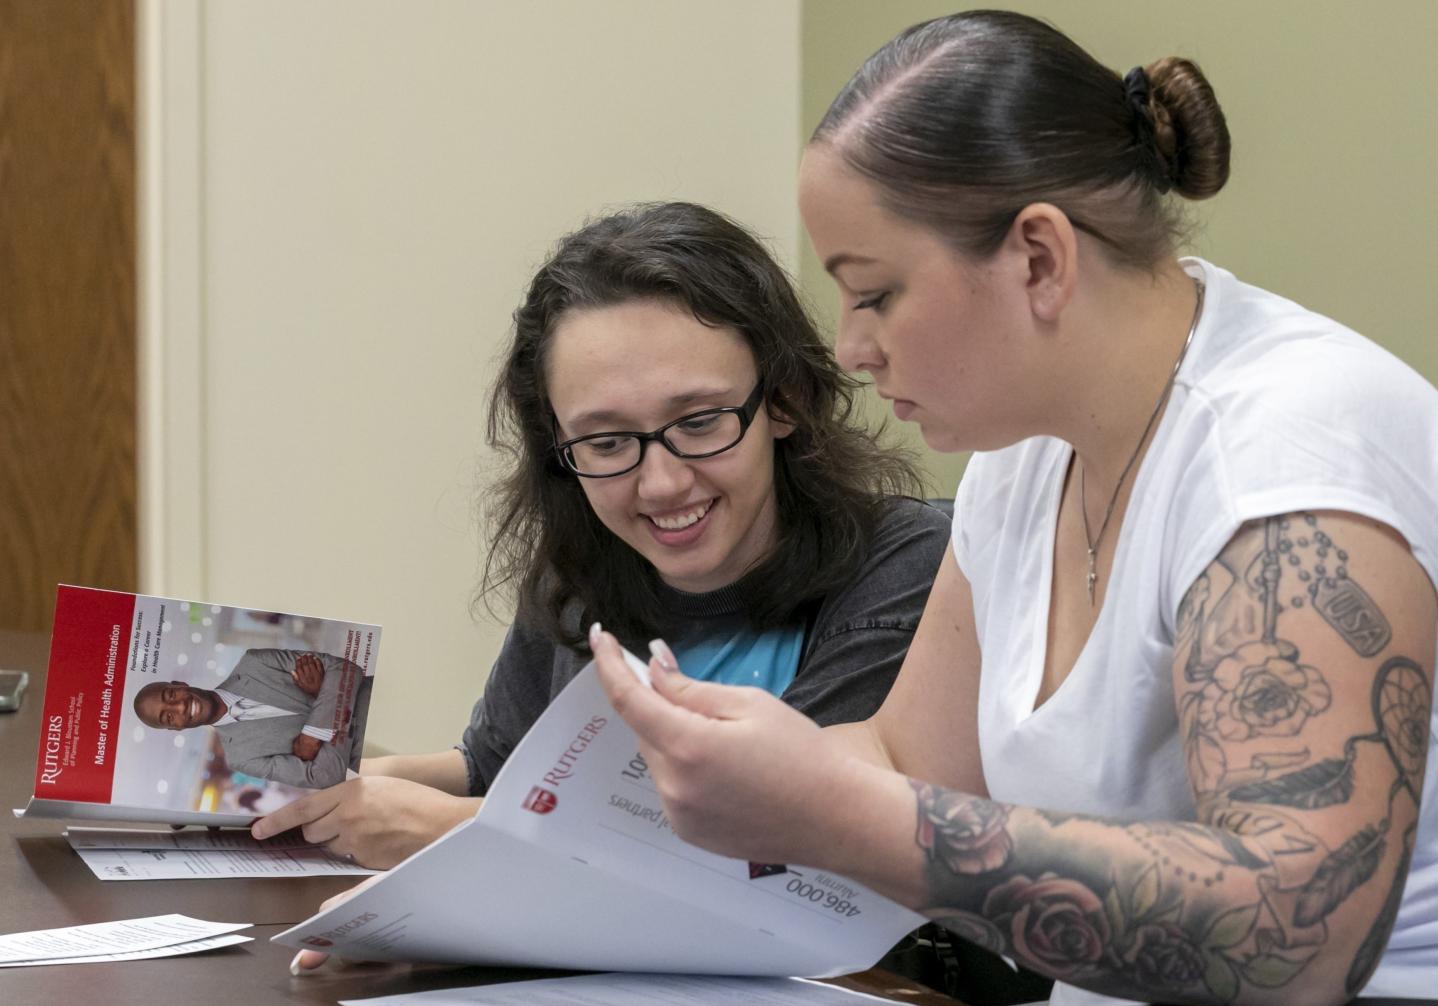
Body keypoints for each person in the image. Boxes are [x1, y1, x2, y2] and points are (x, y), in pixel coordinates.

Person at [592, 11, 1437, 1006]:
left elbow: (1295, 938)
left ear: (1038, 257)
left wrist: (832, 815)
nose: (852, 348)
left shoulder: (1285, 463)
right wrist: (669, 789)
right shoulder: (1028, 451)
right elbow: (907, 757)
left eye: (874, 293)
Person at [255, 202, 950, 879]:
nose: (661, 484)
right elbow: (496, 761)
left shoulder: (905, 566)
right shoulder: (586, 565)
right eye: (608, 441)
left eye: (701, 422)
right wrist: (342, 781)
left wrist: (444, 827)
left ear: (784, 401)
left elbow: (776, 838)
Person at [133, 648, 369, 788]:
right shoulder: (240, 758)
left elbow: (345, 670)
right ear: (176, 729)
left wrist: (312, 737)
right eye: (168, 717)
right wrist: (325, 695)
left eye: (171, 695)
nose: (180, 706)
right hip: (371, 758)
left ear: (180, 684)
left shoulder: (255, 662)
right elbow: (325, 776)